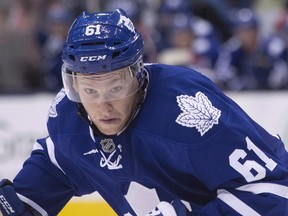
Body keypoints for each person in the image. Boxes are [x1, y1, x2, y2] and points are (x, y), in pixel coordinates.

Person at [0, 8, 288, 216]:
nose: (102, 106)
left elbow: (276, 192)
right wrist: (22, 200)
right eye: (89, 91)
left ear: (137, 75)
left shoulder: (188, 110)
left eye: (115, 88)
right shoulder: (68, 115)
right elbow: (60, 161)